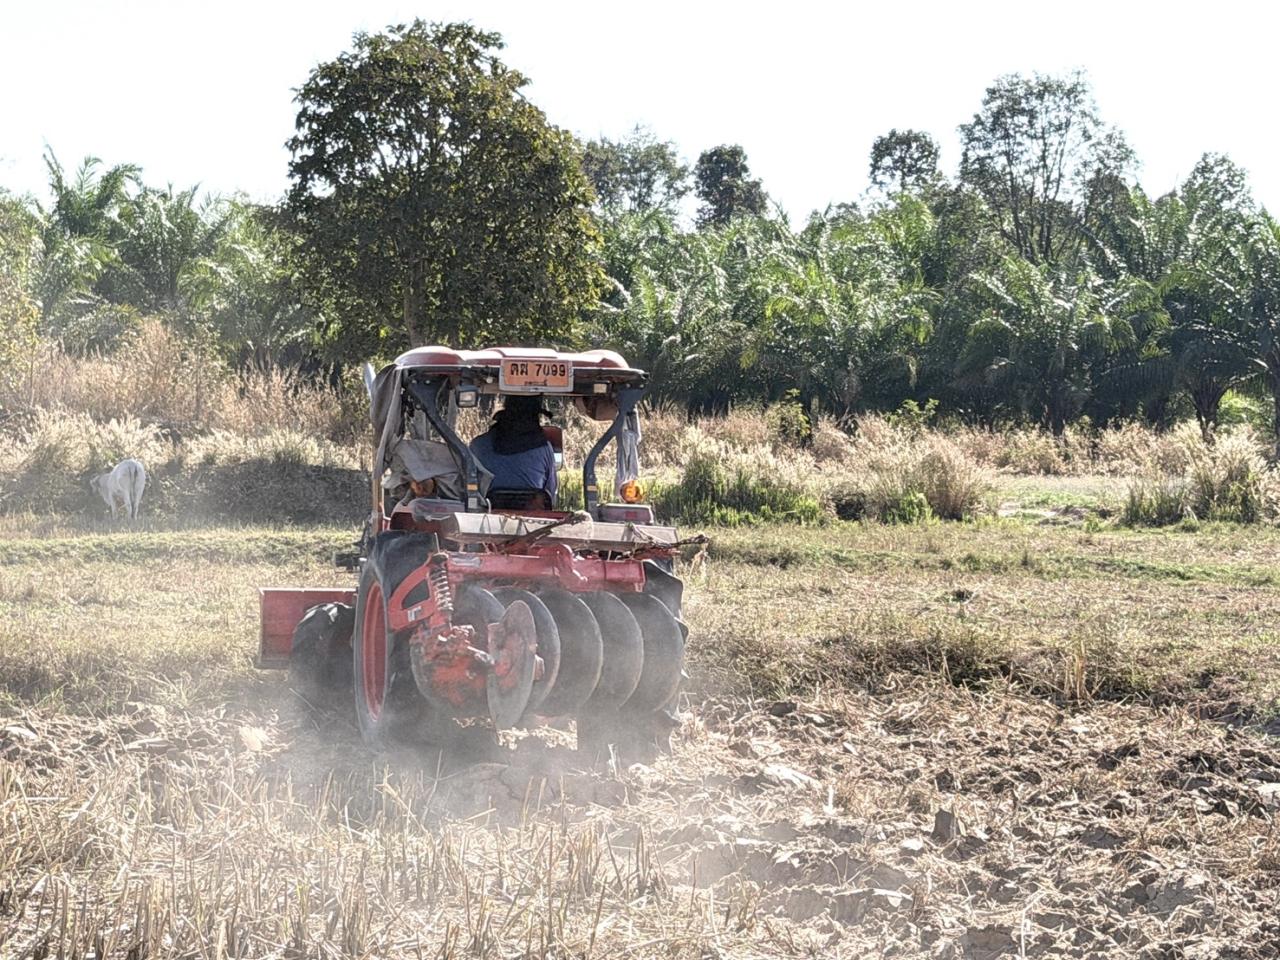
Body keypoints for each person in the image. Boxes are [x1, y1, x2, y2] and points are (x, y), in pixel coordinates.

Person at [469, 395, 557, 506]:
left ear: (503, 415)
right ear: (534, 418)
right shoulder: (544, 447)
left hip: (487, 517)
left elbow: (468, 487)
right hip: (533, 518)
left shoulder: (478, 445)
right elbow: (550, 493)